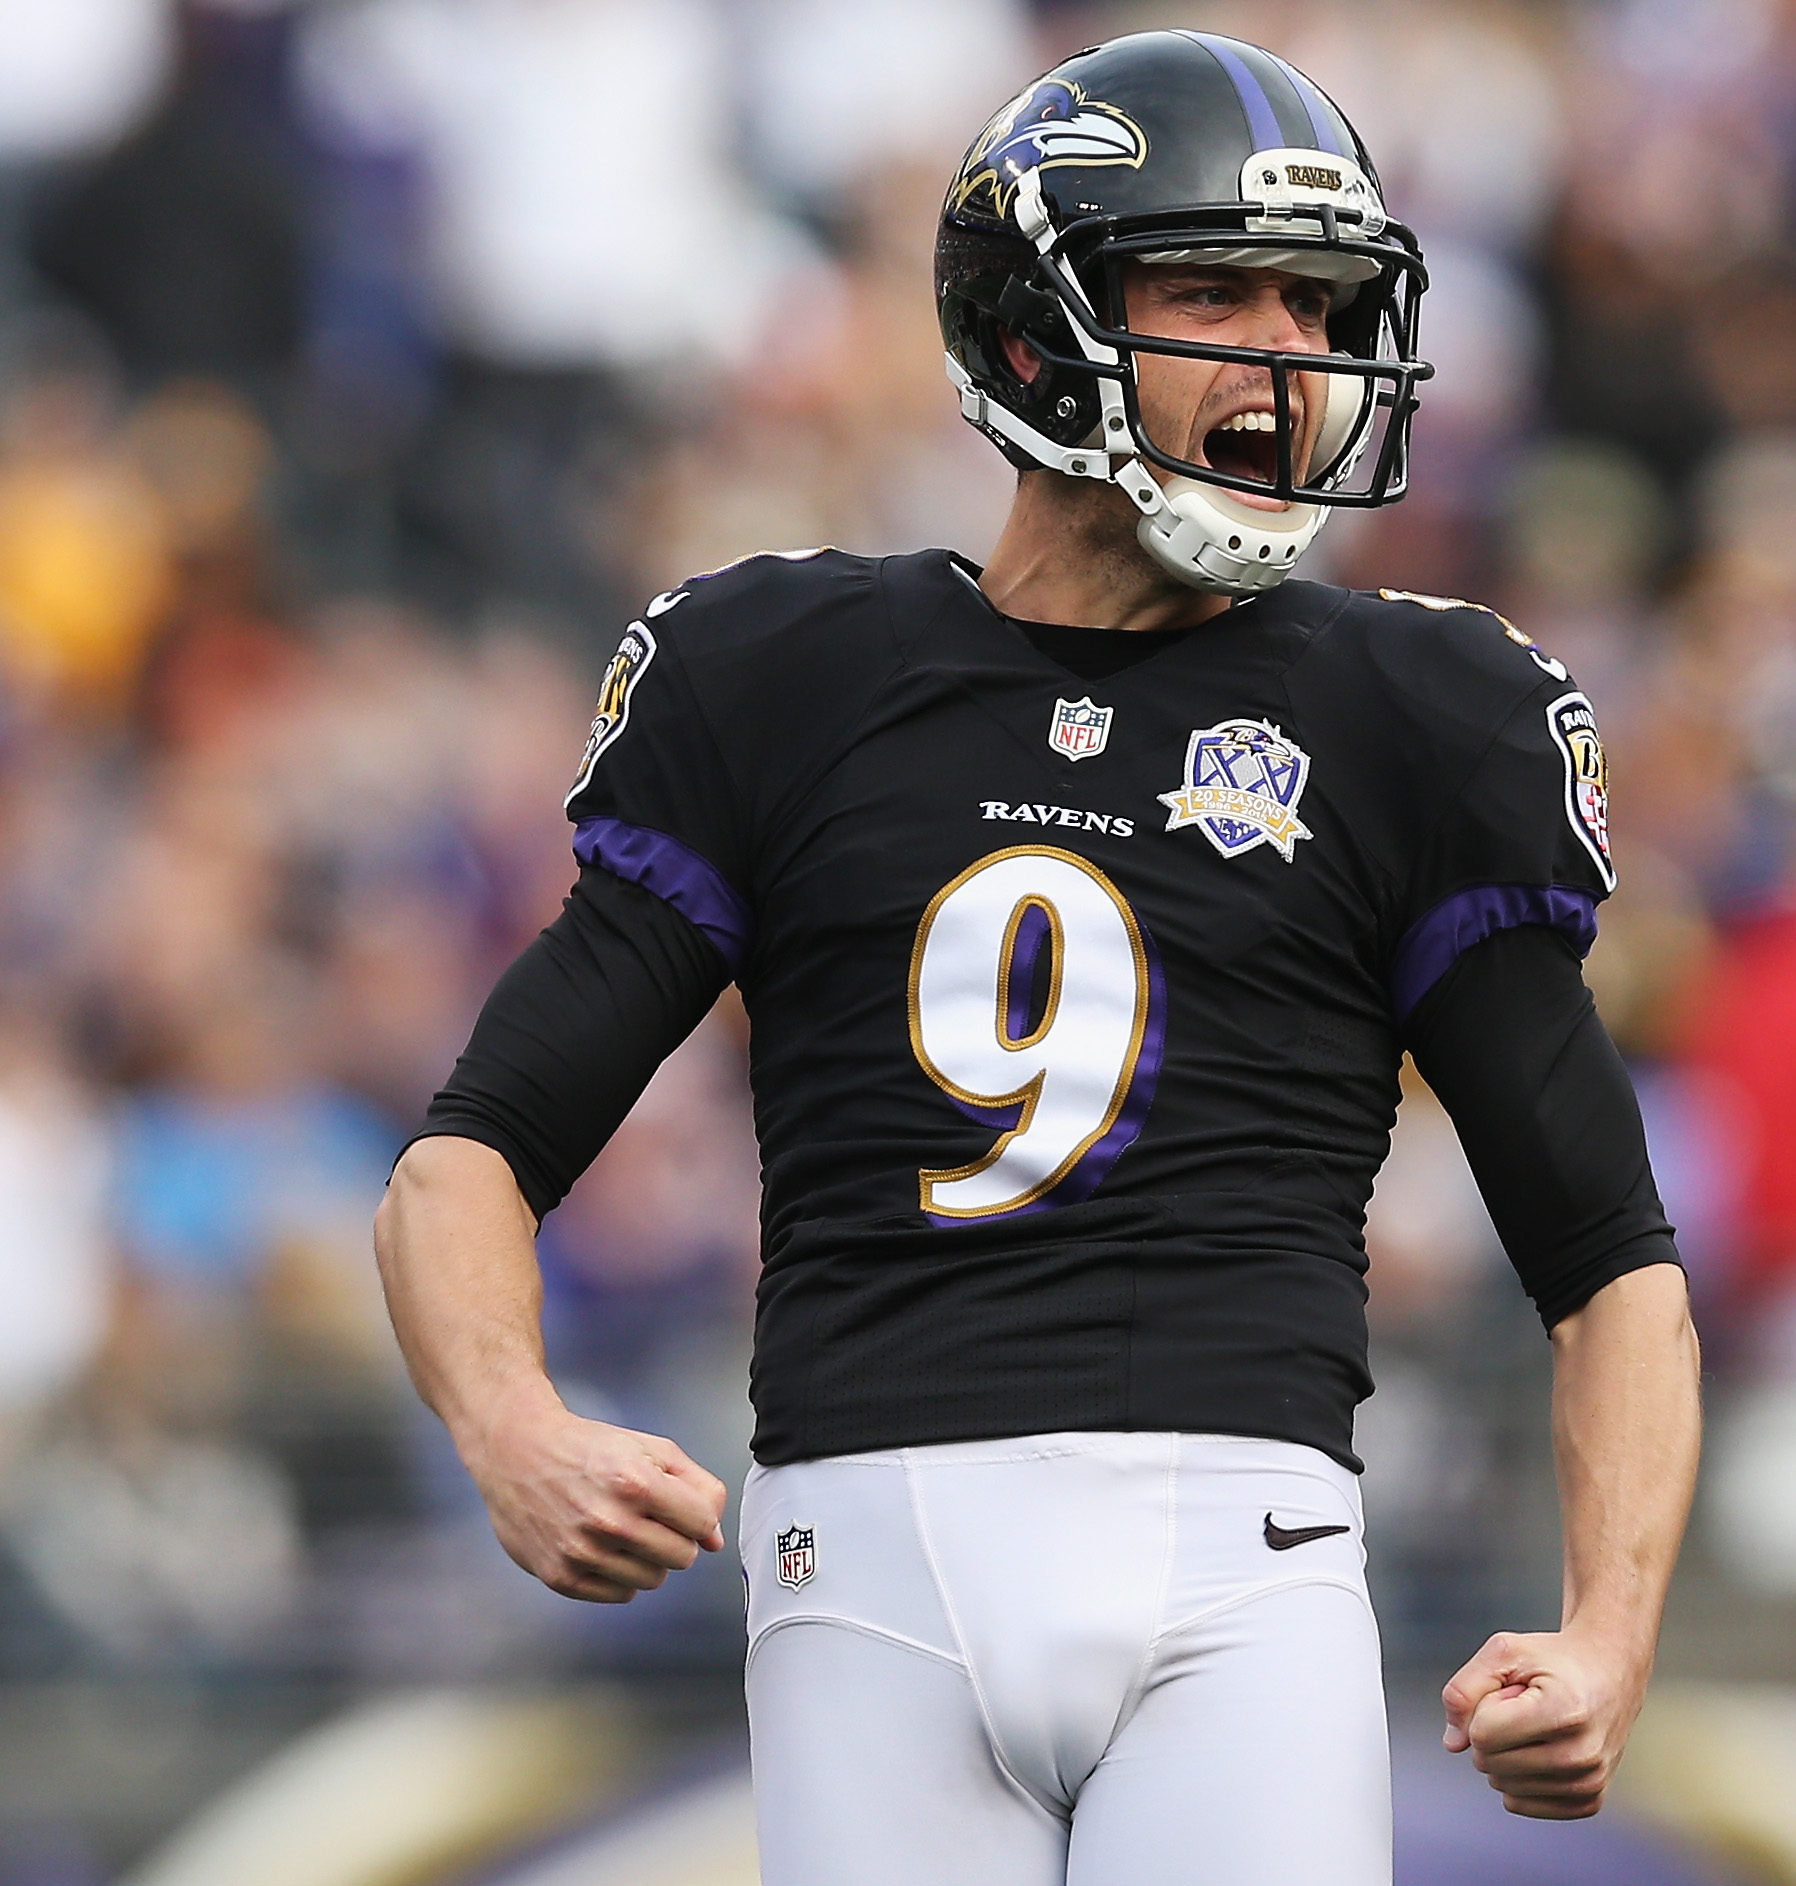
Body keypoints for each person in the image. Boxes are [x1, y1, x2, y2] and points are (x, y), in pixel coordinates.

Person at [371, 31, 1701, 1886]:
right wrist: (507, 1422)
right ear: (1029, 329)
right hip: (867, 1565)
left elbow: (1610, 1263)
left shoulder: (1412, 717)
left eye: (1318, 309)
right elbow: (469, 1154)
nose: (1288, 358)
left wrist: (1611, 1625)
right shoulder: (793, 679)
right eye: (1215, 290)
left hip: (1249, 1563)